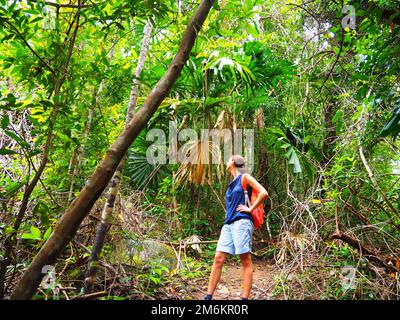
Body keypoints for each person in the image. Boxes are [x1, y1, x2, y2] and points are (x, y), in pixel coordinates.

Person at [204, 154, 268, 300]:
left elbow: (264, 193)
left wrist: (251, 209)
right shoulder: (231, 183)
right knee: (218, 258)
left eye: (228, 159)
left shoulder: (244, 177)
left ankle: (244, 299)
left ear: (233, 162)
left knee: (245, 259)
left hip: (242, 222)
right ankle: (208, 297)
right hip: (229, 224)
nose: (226, 162)